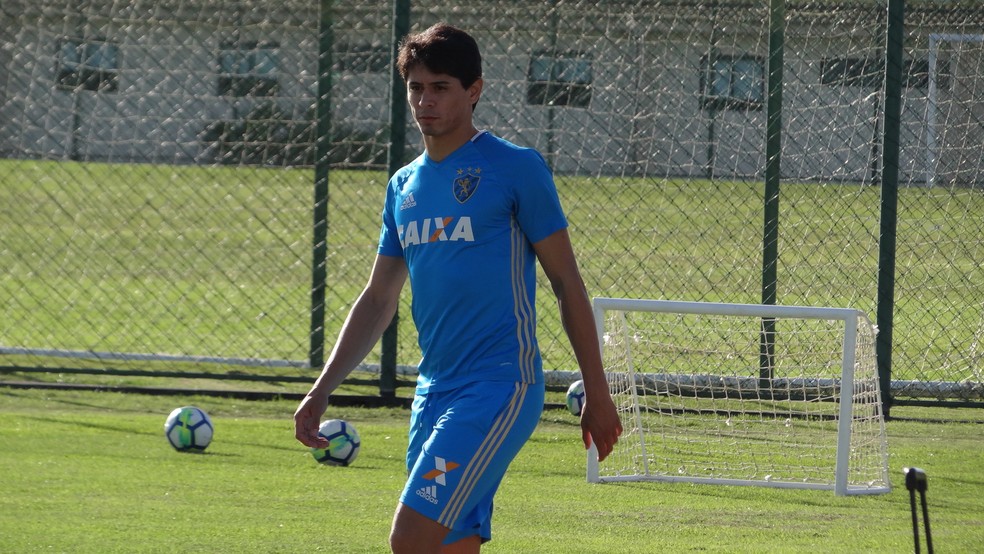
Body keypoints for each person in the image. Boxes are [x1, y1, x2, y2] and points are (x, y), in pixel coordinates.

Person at [293, 22, 622, 554]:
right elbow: (378, 299)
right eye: (416, 88)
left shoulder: (515, 168)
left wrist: (598, 393)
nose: (426, 101)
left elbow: (566, 283)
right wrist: (322, 388)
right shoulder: (404, 186)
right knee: (451, 546)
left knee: (411, 538)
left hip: (499, 387)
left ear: (474, 90)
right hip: (434, 391)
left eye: (441, 87)